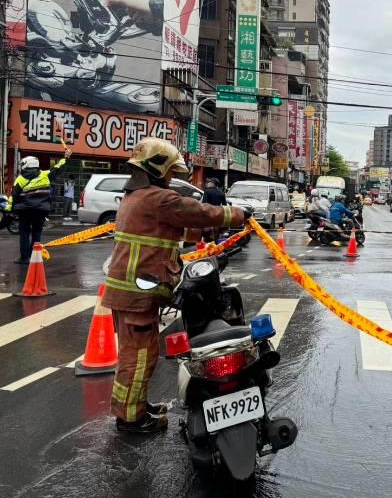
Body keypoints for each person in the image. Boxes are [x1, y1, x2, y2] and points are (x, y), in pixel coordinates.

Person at [102, 138, 247, 434]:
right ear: (156, 167)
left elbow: (175, 226)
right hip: (136, 293)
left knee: (140, 354)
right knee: (138, 358)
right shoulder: (156, 198)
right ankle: (131, 419)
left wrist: (204, 233)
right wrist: (237, 214)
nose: (170, 177)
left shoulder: (137, 197)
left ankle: (136, 408)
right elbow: (195, 211)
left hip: (131, 291)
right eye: (169, 171)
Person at [11, 149, 71, 264]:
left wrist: (14, 210)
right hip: (41, 210)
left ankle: (24, 258)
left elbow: (14, 196)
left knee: (24, 233)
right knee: (36, 232)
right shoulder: (45, 175)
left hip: (25, 211)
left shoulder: (20, 179)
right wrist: (66, 157)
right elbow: (58, 168)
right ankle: (34, 256)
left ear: (27, 165)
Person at [201, 178, 227, 242]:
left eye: (209, 182)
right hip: (218, 213)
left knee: (205, 228)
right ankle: (215, 242)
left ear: (213, 184)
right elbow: (224, 205)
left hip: (209, 213)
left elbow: (204, 203)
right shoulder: (221, 193)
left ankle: (207, 241)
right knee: (217, 229)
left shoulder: (207, 191)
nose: (207, 184)